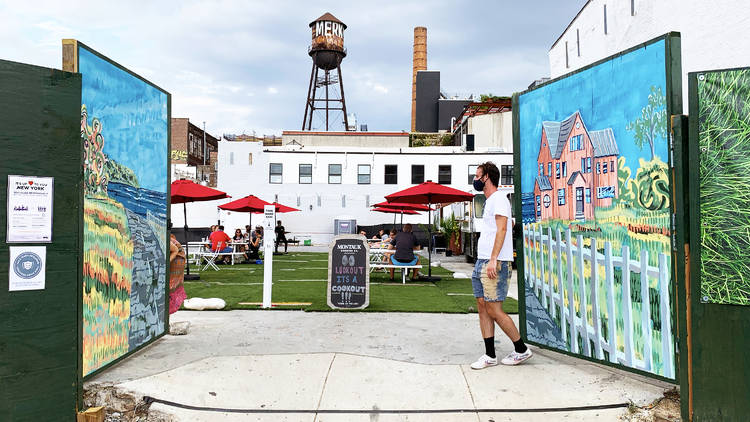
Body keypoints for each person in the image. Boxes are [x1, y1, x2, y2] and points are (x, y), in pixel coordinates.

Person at [470, 162, 531, 369]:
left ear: (487, 177)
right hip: (482, 260)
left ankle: (521, 349)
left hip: (493, 262)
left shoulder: (499, 199)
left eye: (478, 175)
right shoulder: (490, 201)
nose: (475, 179)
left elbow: (503, 230)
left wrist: (494, 259)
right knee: (482, 306)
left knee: (494, 309)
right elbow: (506, 224)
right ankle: (489, 355)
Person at [169, 234, 187, 314]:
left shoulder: (164, 239)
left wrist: (165, 264)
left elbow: (175, 250)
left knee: (170, 286)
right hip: (176, 255)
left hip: (177, 257)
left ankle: (167, 316)